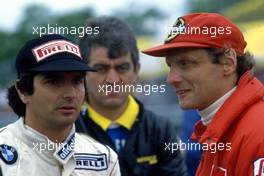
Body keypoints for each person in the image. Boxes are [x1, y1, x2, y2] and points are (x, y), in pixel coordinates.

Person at [142, 13, 264, 176]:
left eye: (185, 63)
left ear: (227, 63)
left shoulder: (257, 132)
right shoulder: (218, 128)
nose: (171, 79)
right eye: (170, 65)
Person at [75, 16, 187, 176]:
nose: (113, 80)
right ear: (83, 73)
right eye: (101, 68)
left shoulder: (160, 130)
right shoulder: (66, 130)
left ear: (137, 71)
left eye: (122, 67)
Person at [0, 34, 120, 176]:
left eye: (77, 81)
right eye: (54, 82)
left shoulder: (105, 159)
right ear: (23, 91)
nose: (70, 94)